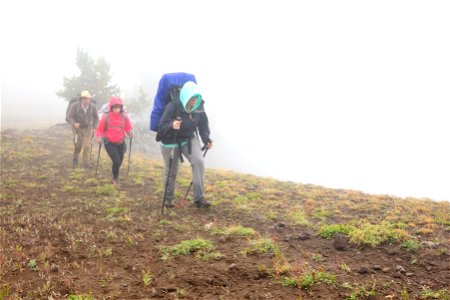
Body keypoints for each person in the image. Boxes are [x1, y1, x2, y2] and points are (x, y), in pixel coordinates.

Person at [156, 81, 213, 208]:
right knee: (172, 170)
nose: (193, 102)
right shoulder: (172, 106)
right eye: (191, 99)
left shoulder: (199, 107)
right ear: (185, 96)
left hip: (188, 138)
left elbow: (203, 125)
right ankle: (168, 199)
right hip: (171, 141)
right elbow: (161, 129)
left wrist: (206, 139)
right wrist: (172, 125)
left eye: (196, 99)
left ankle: (199, 198)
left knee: (199, 161)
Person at [96, 97, 133, 187]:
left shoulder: (124, 116)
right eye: (115, 108)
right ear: (111, 107)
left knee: (119, 161)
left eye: (118, 107)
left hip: (121, 142)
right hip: (109, 143)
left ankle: (115, 174)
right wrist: (100, 137)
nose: (117, 110)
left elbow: (128, 127)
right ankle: (115, 178)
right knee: (116, 161)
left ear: (121, 107)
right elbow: (100, 130)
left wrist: (130, 132)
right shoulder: (106, 117)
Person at [66, 90, 99, 168]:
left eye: (88, 98)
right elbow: (69, 117)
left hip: (88, 129)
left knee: (87, 146)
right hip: (77, 129)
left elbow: (96, 118)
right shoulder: (75, 106)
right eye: (85, 98)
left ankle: (86, 163)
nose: (86, 100)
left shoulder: (93, 107)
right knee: (78, 145)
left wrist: (94, 127)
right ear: (81, 99)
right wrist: (74, 123)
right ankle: (75, 158)